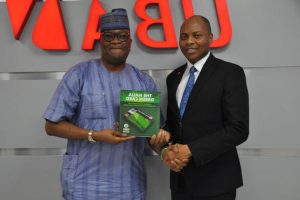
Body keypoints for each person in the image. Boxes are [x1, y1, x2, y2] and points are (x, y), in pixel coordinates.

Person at [43, 8, 169, 200]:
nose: (116, 41)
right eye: (109, 36)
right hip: (83, 185)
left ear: (130, 42)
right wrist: (94, 135)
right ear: (101, 41)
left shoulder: (143, 81)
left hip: (129, 185)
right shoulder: (79, 75)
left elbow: (151, 134)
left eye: (122, 36)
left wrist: (164, 145)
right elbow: (51, 126)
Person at [161, 15, 249, 200]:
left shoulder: (230, 73)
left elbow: (238, 129)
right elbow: (175, 123)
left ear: (210, 38)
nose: (189, 42)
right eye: (184, 37)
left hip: (216, 183)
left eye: (196, 35)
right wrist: (164, 135)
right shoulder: (174, 78)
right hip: (180, 182)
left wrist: (191, 149)